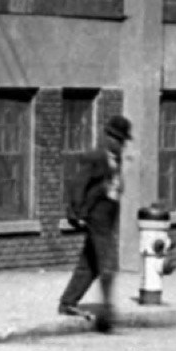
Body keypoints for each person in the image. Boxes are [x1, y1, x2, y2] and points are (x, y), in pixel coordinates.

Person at [57, 114, 134, 333]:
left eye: (122, 141)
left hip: (108, 219)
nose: (119, 144)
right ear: (107, 136)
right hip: (96, 217)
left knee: (90, 263)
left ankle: (68, 302)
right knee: (107, 263)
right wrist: (77, 212)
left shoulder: (115, 161)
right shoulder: (95, 157)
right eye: (116, 139)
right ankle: (107, 315)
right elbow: (78, 184)